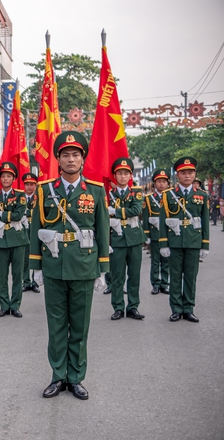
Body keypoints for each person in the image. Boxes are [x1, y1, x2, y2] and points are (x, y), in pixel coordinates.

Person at [30, 131, 110, 400]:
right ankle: (57, 376)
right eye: (66, 155)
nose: (71, 159)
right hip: (53, 266)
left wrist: (102, 269)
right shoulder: (44, 190)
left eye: (76, 154)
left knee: (79, 326)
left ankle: (75, 377)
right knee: (56, 325)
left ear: (82, 158)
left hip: (84, 266)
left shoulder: (96, 191)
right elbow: (36, 228)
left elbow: (102, 230)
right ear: (58, 160)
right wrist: (36, 265)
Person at [159, 156, 209, 323]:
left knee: (190, 276)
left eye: (190, 172)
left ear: (195, 174)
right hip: (175, 241)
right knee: (175, 276)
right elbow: (162, 221)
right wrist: (163, 243)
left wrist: (205, 244)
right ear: (177, 175)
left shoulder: (202, 195)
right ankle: (176, 308)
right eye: (183, 173)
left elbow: (204, 221)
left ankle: (188, 308)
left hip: (194, 241)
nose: (187, 176)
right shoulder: (168, 195)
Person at [108, 158, 146, 321]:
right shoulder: (107, 194)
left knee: (134, 274)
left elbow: (136, 210)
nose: (123, 177)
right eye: (119, 173)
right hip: (116, 239)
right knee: (117, 276)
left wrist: (114, 212)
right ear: (115, 176)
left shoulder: (136, 192)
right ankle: (117, 307)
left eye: (126, 173)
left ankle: (133, 307)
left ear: (130, 175)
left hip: (134, 238)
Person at [0, 162, 29, 318]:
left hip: (18, 240)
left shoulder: (20, 195)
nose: (5, 179)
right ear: (0, 178)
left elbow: (18, 215)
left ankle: (15, 305)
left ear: (13, 178)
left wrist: (0, 214)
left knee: (17, 275)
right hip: (1, 240)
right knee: (3, 276)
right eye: (3, 176)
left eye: (8, 176)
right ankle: (4, 305)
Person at [142, 169, 170, 295]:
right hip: (155, 234)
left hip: (169, 234)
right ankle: (155, 284)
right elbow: (146, 217)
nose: (162, 184)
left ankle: (165, 283)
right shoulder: (149, 199)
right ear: (154, 184)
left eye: (164, 181)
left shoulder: (171, 197)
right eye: (159, 181)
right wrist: (146, 234)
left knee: (166, 261)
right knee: (155, 261)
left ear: (168, 183)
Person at [21, 173, 40, 293]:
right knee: (24, 257)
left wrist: (26, 214)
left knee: (35, 255)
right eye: (27, 184)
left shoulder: (39, 197)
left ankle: (35, 282)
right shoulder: (20, 197)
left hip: (35, 228)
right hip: (23, 229)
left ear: (36, 185)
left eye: (32, 184)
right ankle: (26, 281)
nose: (29, 187)